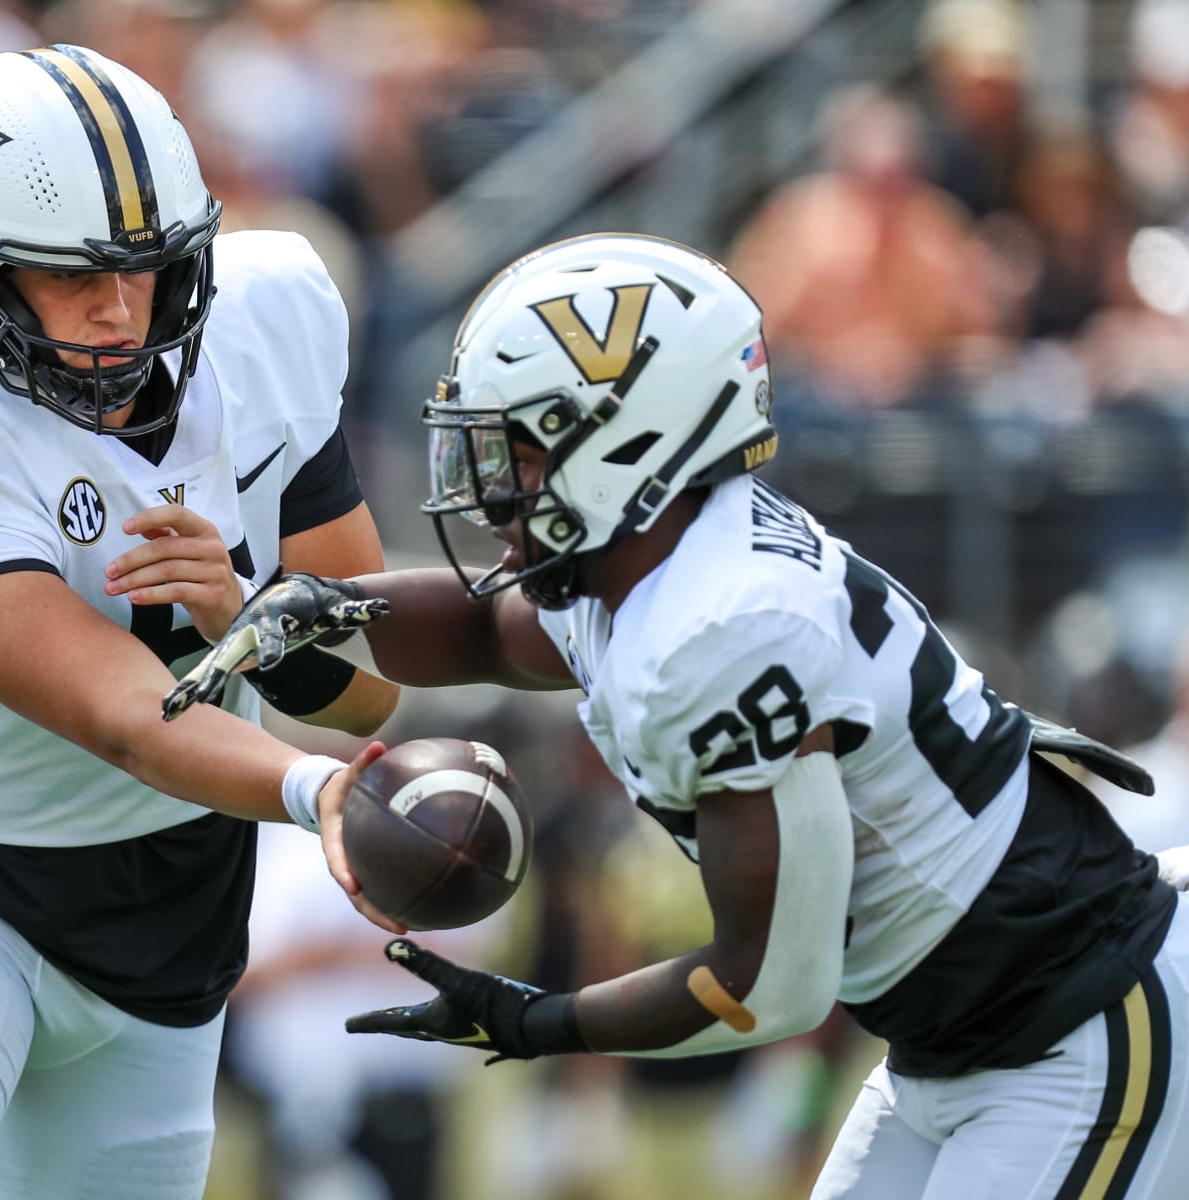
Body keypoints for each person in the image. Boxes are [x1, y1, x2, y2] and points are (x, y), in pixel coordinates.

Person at [170, 233, 1189, 1197]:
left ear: (627, 439)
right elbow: (487, 632)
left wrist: (540, 1024)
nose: (487, 487)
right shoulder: (653, 557)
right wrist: (309, 606)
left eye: (520, 451)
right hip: (960, 1033)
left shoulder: (714, 629)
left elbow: (770, 984)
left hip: (1073, 1018)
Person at [0, 42, 402, 1200]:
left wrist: (257, 617)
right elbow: (122, 714)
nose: (120, 311)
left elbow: (370, 681)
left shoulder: (272, 310)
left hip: (171, 916)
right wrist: (317, 790)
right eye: (70, 275)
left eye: (148, 267)